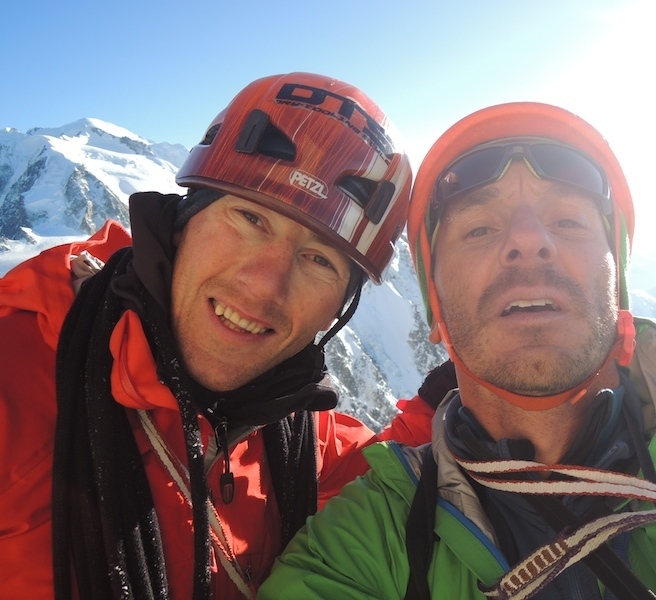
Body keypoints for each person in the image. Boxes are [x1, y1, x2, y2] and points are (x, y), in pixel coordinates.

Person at [260, 102, 656, 599]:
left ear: (620, 289)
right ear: (436, 311)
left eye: (568, 220)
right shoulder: (358, 550)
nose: (528, 238)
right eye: (478, 228)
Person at [0, 72, 435, 599]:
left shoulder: (289, 427)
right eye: (250, 217)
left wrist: (451, 401)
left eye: (318, 258)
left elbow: (376, 474)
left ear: (338, 309)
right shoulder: (18, 377)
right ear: (184, 221)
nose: (264, 286)